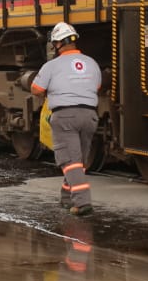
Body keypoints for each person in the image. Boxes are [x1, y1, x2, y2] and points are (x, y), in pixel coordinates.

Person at [31, 22, 101, 216]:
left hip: (65, 116)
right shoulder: (92, 63)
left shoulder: (51, 66)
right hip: (90, 116)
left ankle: (82, 202)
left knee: (69, 160)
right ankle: (66, 198)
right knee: (78, 160)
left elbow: (36, 89)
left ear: (57, 44)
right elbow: (96, 87)